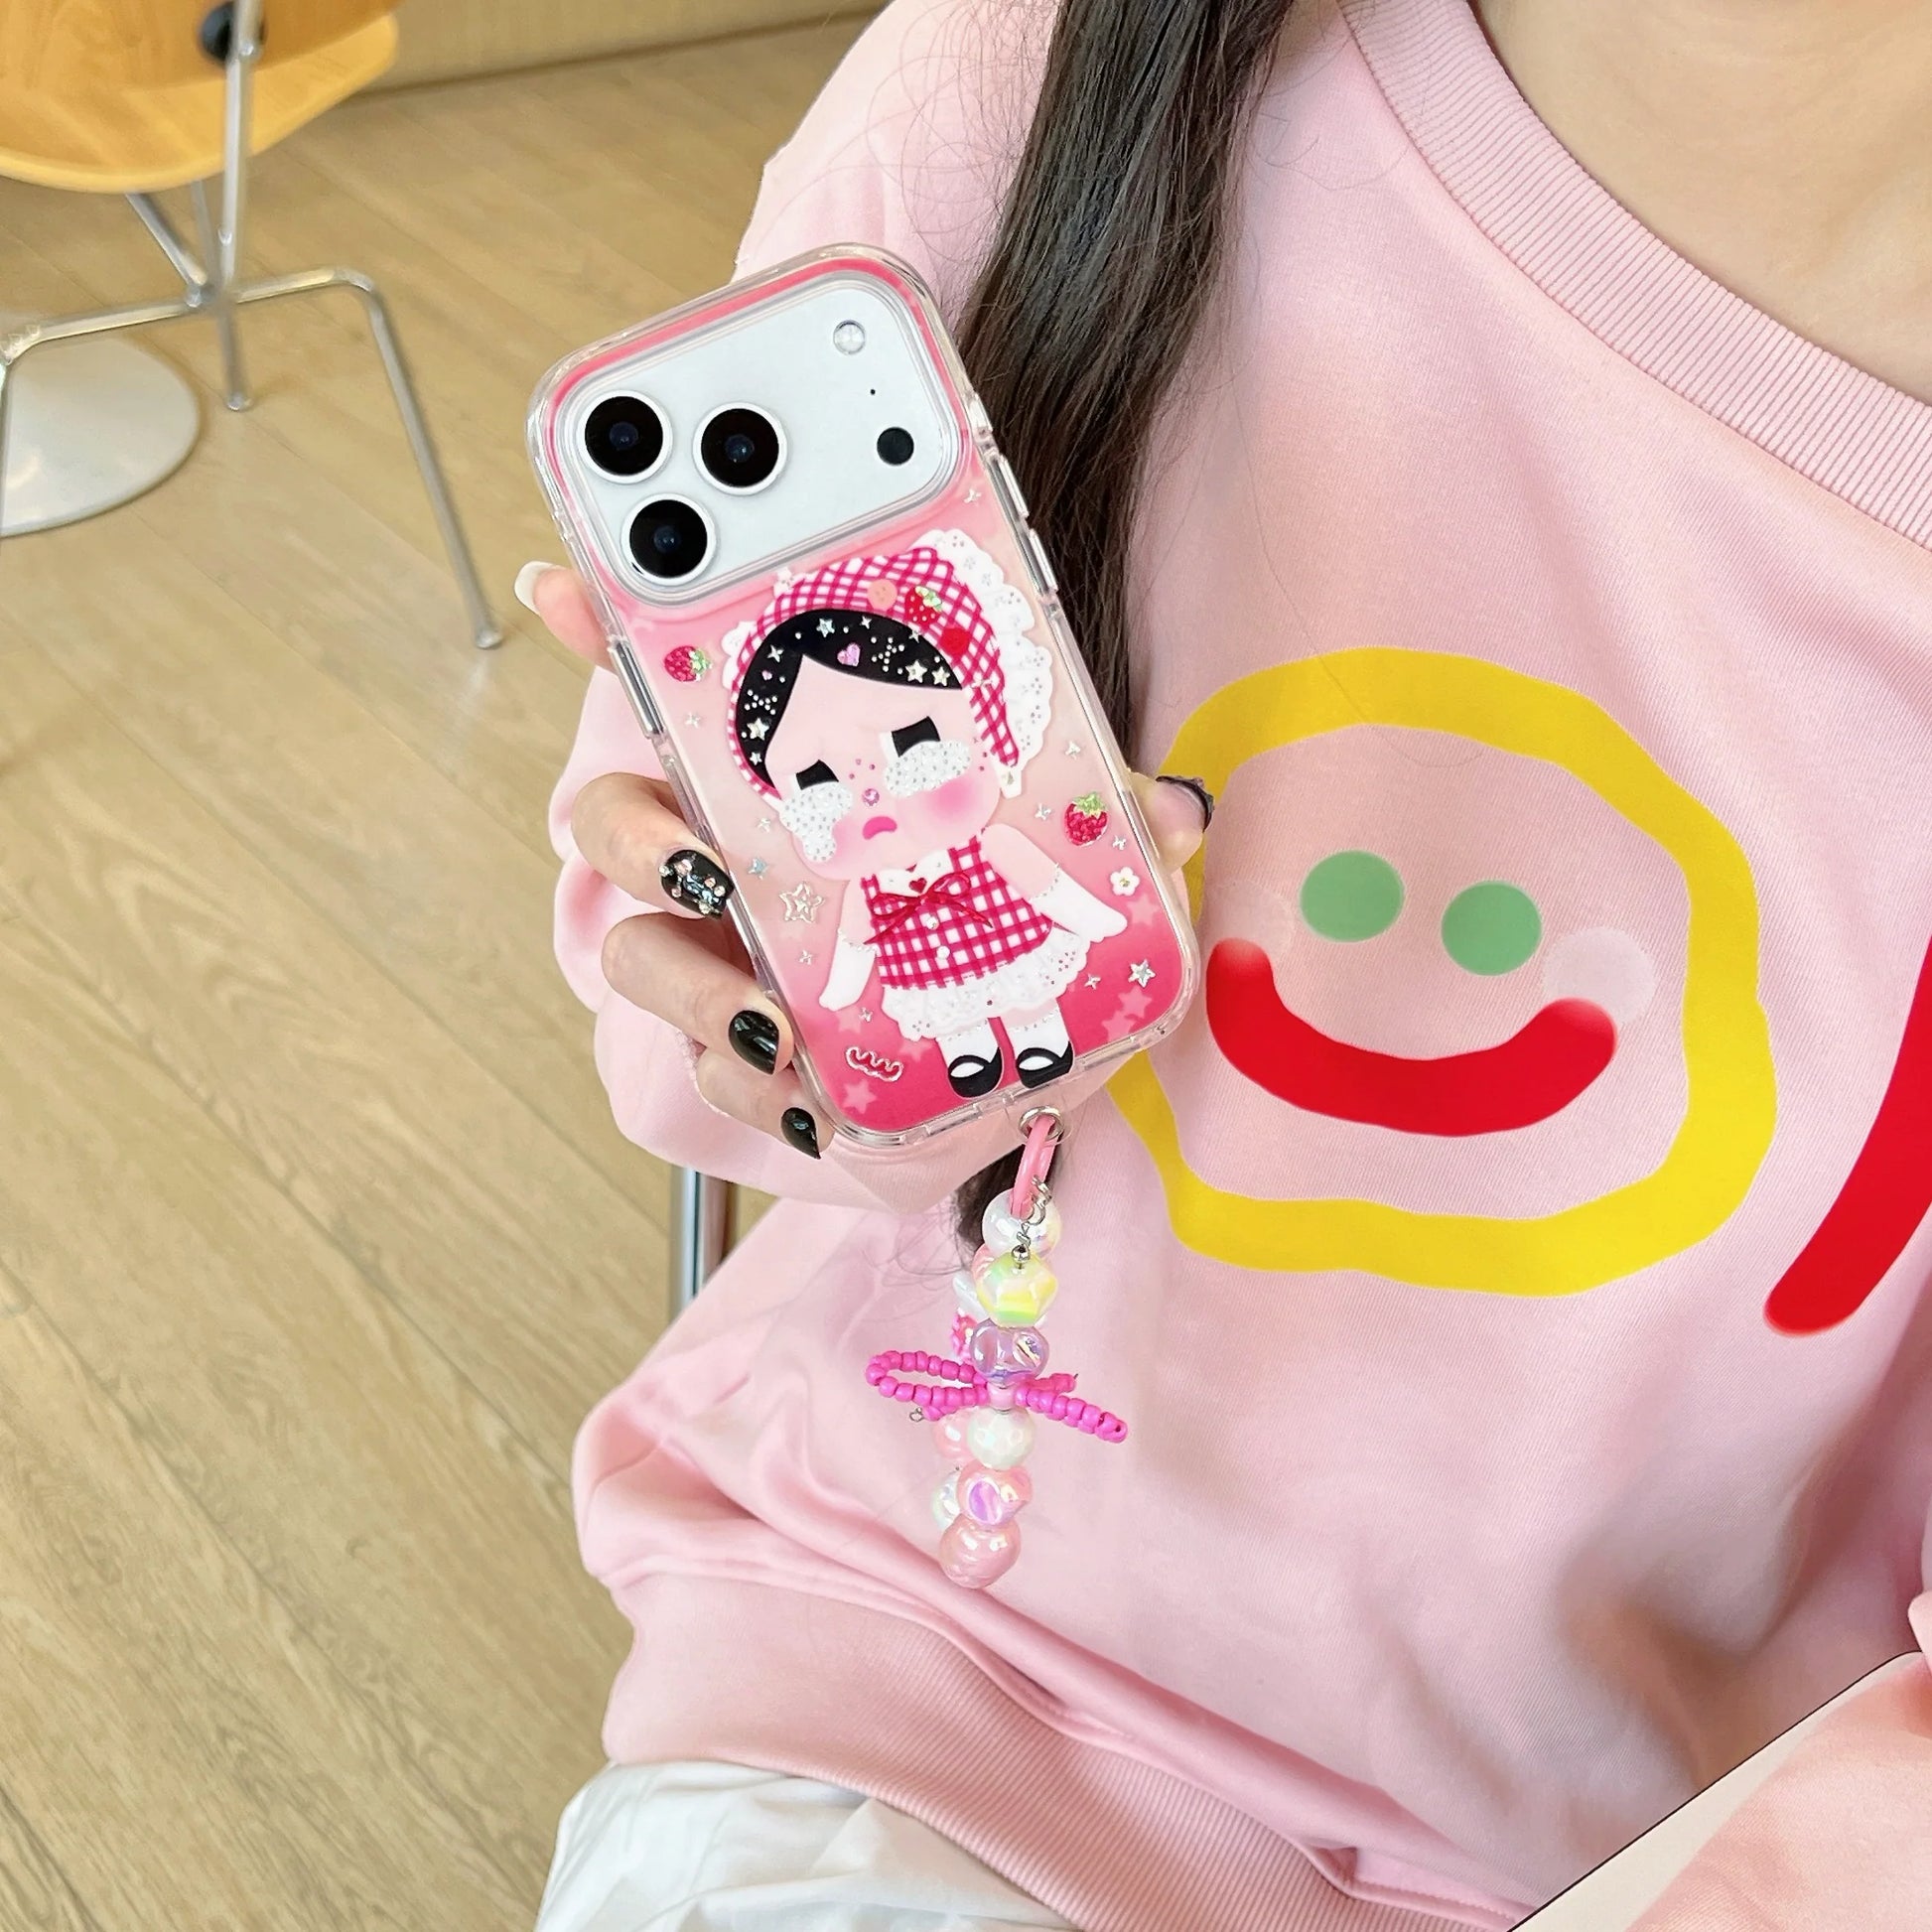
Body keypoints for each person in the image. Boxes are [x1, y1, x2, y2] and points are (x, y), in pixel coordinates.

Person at [522, 0, 1932, 1924]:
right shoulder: (1040, 67)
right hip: (913, 1695)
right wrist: (804, 1023)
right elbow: (686, 1049)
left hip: (1691, 1833)